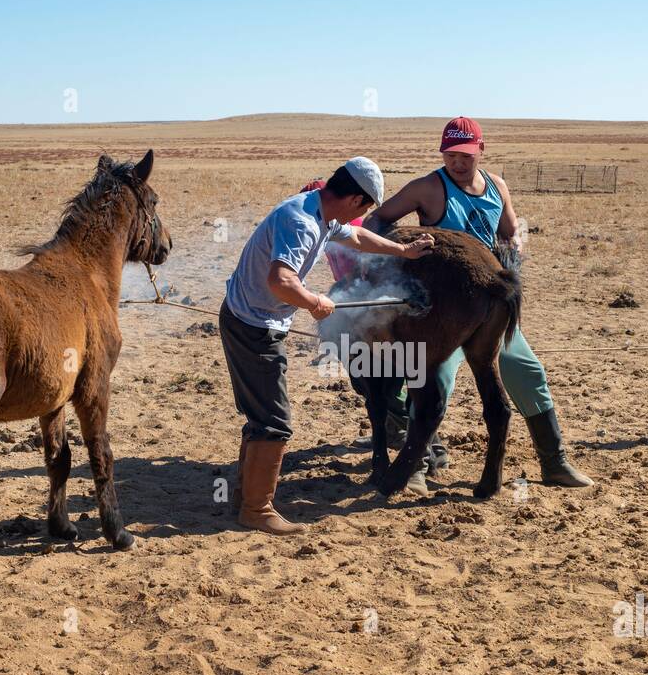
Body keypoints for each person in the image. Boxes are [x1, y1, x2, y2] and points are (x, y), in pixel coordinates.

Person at [364, 116, 592, 494]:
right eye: (451, 155)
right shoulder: (428, 188)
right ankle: (417, 466)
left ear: (480, 151)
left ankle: (555, 461)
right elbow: (378, 219)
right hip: (441, 308)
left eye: (466, 155)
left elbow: (510, 232)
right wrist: (395, 262)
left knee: (527, 371)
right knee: (432, 378)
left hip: (489, 301)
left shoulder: (496, 187)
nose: (458, 162)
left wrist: (512, 253)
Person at [221, 157, 433, 534]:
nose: (364, 215)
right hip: (254, 326)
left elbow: (356, 237)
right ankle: (256, 508)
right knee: (275, 421)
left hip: (250, 318)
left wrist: (403, 251)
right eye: (365, 207)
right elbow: (280, 281)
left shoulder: (320, 211)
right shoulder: (302, 223)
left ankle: (243, 496)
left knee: (262, 414)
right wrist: (314, 301)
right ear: (354, 200)